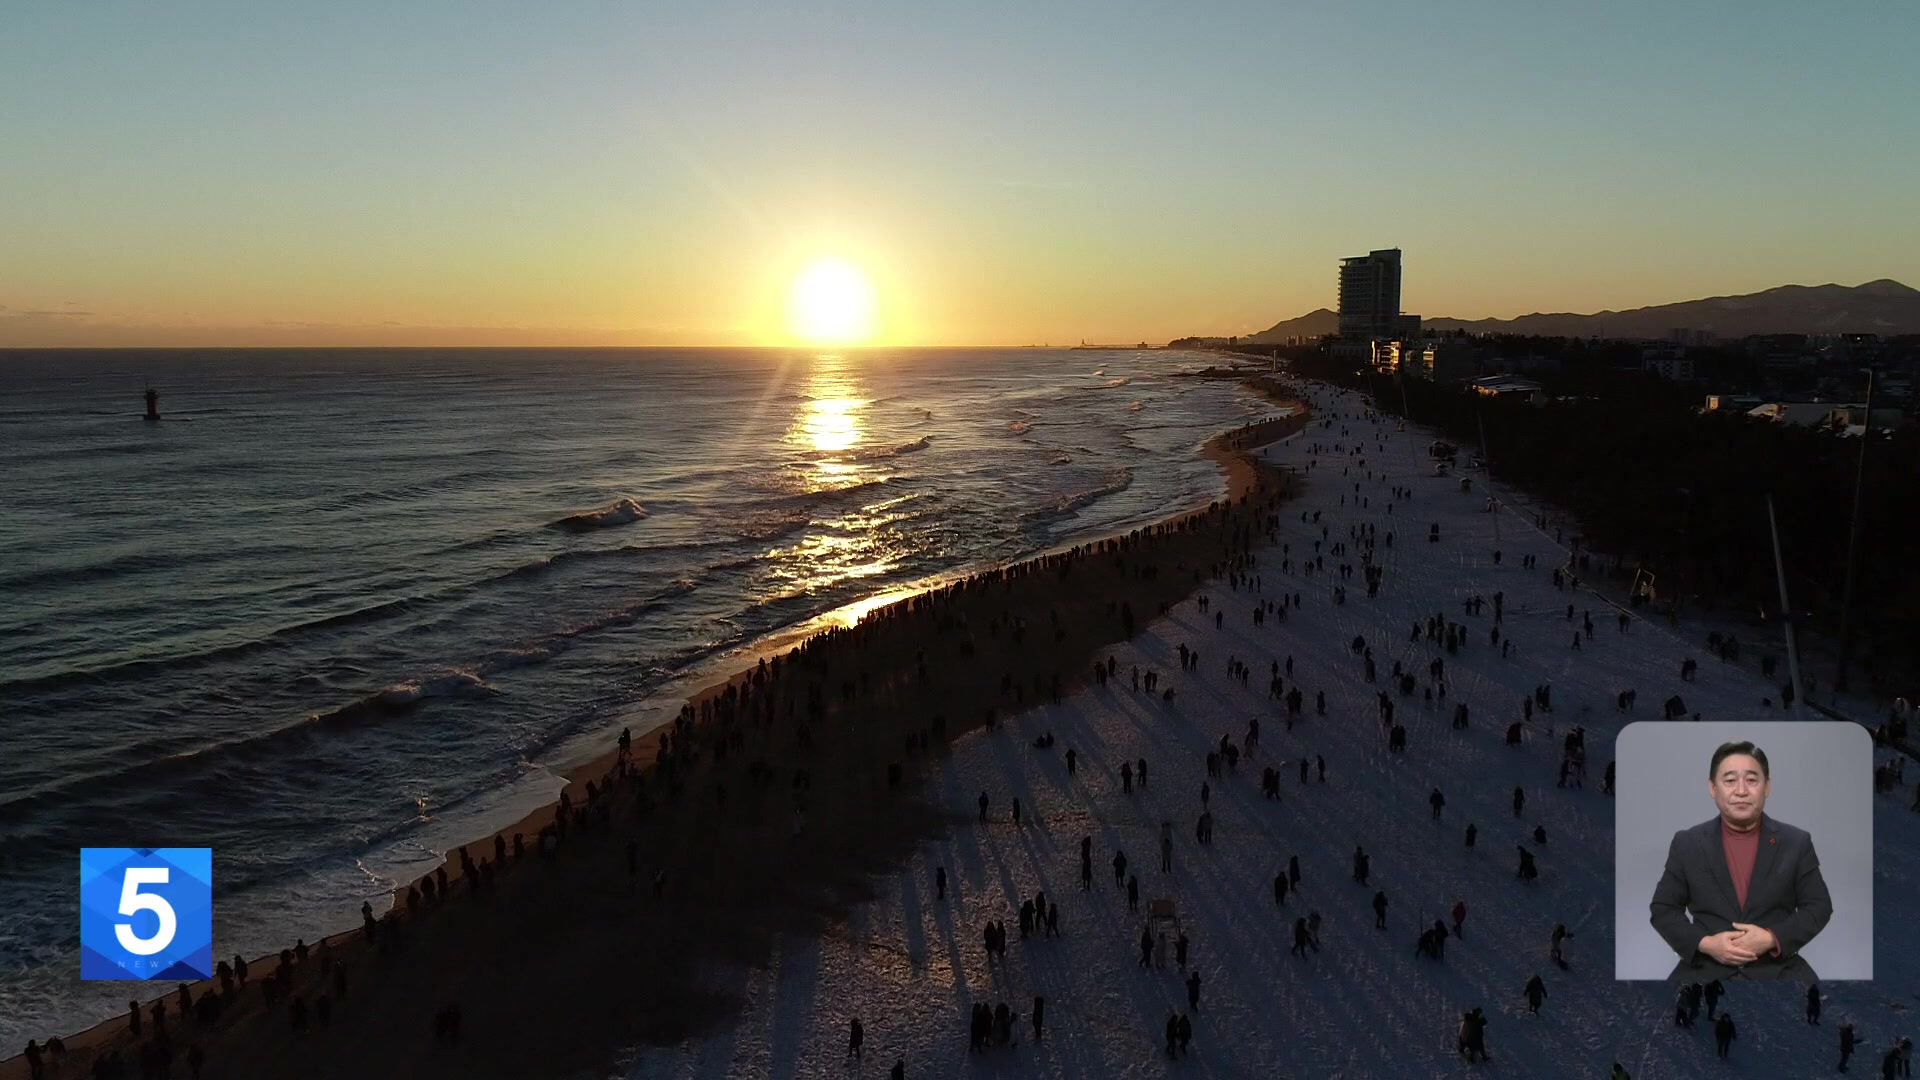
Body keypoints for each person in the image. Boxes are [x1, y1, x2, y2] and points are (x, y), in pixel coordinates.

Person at [1649, 741, 1834, 980]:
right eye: (1729, 780)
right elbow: (1663, 908)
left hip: (1779, 971)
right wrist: (1706, 944)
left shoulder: (1796, 842)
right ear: (1713, 788)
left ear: (1766, 787)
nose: (1741, 791)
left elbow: (1819, 906)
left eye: (1751, 780)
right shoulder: (1687, 843)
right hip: (1704, 972)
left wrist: (1771, 938)